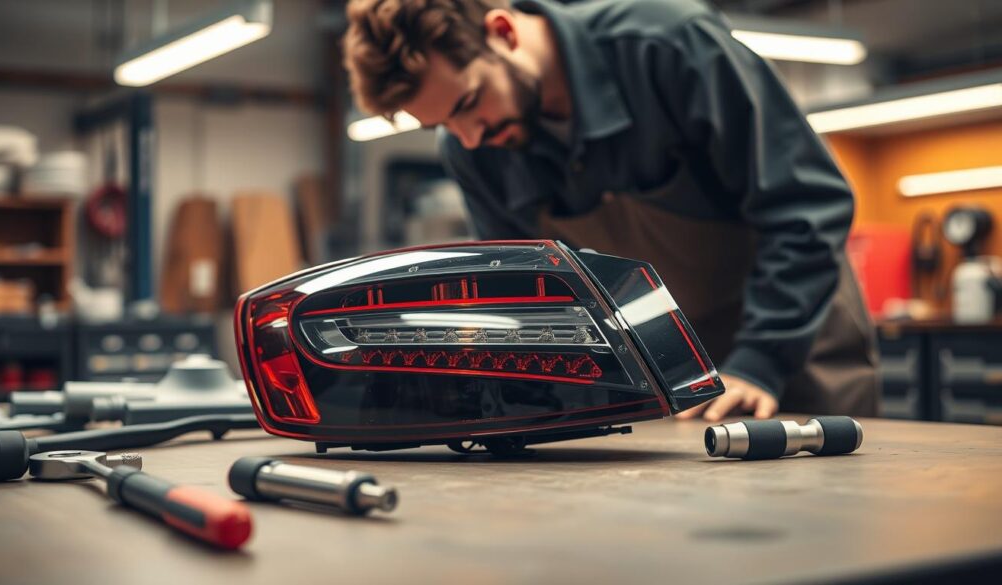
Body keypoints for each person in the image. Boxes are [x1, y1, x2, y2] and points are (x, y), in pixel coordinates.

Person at [341, 0, 880, 421]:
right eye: (442, 127)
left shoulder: (666, 45)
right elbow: (531, 295)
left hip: (792, 348)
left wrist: (761, 362)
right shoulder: (472, 153)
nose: (469, 137)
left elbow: (807, 203)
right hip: (671, 389)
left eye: (467, 103)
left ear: (502, 32)